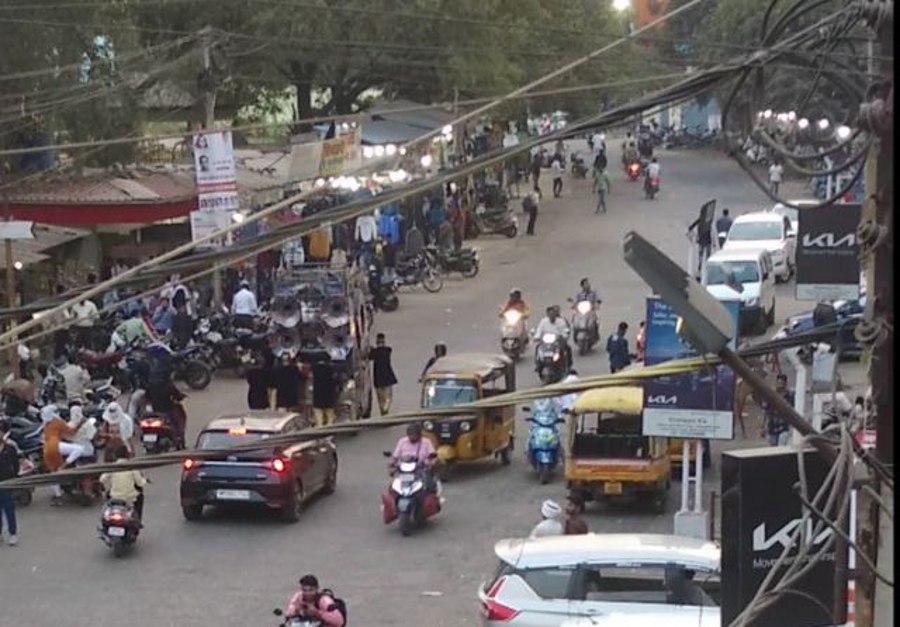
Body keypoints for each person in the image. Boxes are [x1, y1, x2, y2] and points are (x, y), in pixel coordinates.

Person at [41, 405, 86, 505]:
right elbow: (71, 432)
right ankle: (65, 465)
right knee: (79, 449)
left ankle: (58, 495)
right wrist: (80, 423)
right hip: (56, 445)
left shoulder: (45, 424)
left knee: (53, 472)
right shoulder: (57, 421)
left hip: (46, 449)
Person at [99, 443, 149, 519]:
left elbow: (102, 479)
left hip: (115, 497)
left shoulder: (112, 467)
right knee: (140, 498)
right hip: (130, 498)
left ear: (115, 455)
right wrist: (145, 480)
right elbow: (140, 483)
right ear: (127, 455)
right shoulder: (132, 467)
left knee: (106, 499)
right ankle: (138, 519)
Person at [0, 419, 20, 545]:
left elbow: (16, 466)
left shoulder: (10, 448)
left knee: (9, 510)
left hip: (7, 484)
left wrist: (14, 479)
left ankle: (13, 534)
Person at [368, 333, 398, 416]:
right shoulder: (388, 350)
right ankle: (385, 409)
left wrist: (371, 349)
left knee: (380, 396)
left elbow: (369, 356)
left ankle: (383, 410)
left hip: (378, 378)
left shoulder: (374, 352)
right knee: (388, 395)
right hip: (387, 377)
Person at [762, 374, 793, 445]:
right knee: (772, 448)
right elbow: (765, 411)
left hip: (784, 427)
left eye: (781, 383)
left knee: (781, 447)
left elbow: (792, 411)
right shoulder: (771, 395)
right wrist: (763, 426)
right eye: (778, 383)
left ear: (785, 384)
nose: (779, 386)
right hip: (772, 428)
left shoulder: (789, 396)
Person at [311, 358, 338, 428]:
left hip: (318, 394)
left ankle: (320, 427)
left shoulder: (314, 368)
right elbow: (334, 380)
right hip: (329, 394)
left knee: (318, 415)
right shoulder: (331, 369)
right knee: (330, 415)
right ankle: (330, 428)